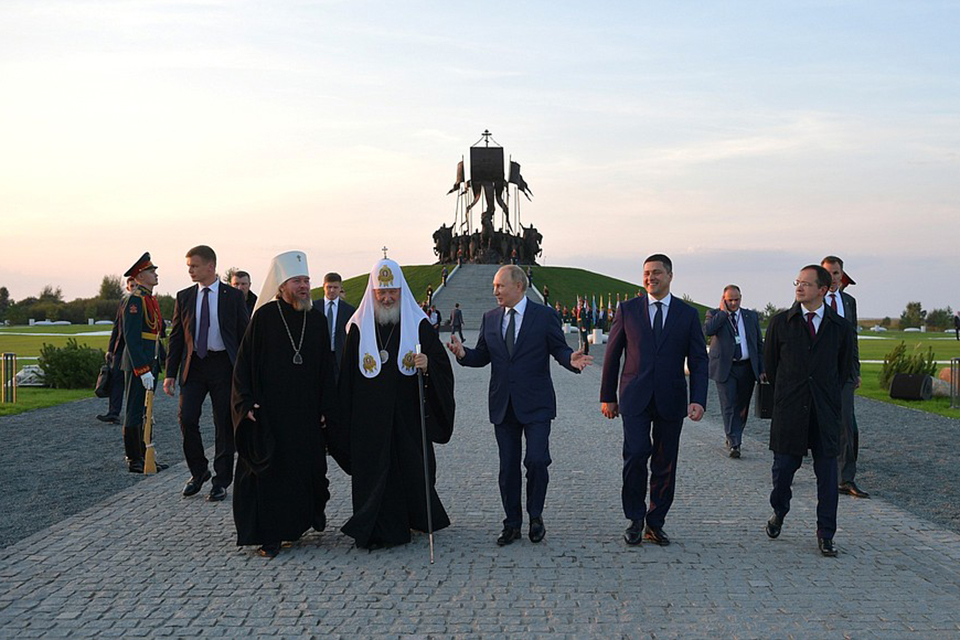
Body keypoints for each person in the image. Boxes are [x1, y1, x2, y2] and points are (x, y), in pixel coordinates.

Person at [448, 265, 592, 546]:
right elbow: (482, 355)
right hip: (503, 403)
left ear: (519, 286)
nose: (495, 291)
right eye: (494, 286)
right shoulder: (490, 319)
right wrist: (463, 354)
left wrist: (570, 360)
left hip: (536, 403)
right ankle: (512, 523)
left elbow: (559, 348)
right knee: (507, 467)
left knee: (537, 460)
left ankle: (535, 516)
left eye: (500, 286)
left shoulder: (544, 316)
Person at [339, 257, 456, 549]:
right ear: (373, 293)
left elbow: (442, 366)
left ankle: (414, 517)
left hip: (407, 414)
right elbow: (346, 377)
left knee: (412, 467)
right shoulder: (357, 327)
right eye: (382, 293)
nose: (388, 298)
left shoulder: (419, 325)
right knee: (374, 471)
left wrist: (428, 364)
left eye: (393, 292)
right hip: (370, 416)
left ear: (401, 291)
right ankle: (375, 525)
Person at [231, 251, 336, 558]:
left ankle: (296, 526)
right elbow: (243, 365)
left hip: (305, 415)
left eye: (306, 280)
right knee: (271, 476)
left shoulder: (316, 320)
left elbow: (326, 370)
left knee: (302, 473)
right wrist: (245, 401)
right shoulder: (264, 317)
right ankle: (269, 536)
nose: (304, 286)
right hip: (270, 414)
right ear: (281, 285)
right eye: (297, 281)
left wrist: (327, 409)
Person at [600, 254, 708, 546]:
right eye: (646, 273)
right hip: (634, 396)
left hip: (671, 399)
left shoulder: (687, 314)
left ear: (670, 276)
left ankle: (655, 521)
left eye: (657, 273)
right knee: (635, 454)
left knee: (665, 463)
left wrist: (698, 398)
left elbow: (698, 359)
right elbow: (612, 354)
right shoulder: (628, 310)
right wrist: (607, 396)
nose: (650, 278)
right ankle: (634, 518)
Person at [764, 265, 853, 557]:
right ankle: (780, 509)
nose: (799, 288)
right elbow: (772, 369)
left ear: (823, 290)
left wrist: (823, 395)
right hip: (790, 411)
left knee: (828, 478)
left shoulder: (840, 328)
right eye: (797, 282)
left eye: (806, 283)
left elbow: (842, 371)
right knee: (782, 474)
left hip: (825, 414)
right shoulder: (781, 323)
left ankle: (826, 534)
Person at [163, 246, 249, 501]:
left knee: (223, 424)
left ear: (211, 267)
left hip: (223, 366)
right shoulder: (184, 296)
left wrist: (247, 372)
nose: (190, 270)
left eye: (194, 265)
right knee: (187, 418)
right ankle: (199, 471)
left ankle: (221, 481)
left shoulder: (232, 297)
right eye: (188, 266)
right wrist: (169, 373)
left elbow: (244, 334)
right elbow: (176, 336)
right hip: (195, 366)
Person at [821, 256, 869, 499]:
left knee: (847, 425)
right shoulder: (812, 300)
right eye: (828, 273)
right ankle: (789, 466)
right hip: (818, 373)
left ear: (842, 275)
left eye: (836, 273)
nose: (832, 278)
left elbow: (853, 339)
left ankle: (845, 478)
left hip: (844, 373)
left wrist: (856, 370)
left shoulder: (849, 302)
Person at [120, 253, 169, 473]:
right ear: (140, 275)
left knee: (146, 410)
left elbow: (157, 333)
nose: (155, 274)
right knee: (134, 410)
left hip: (151, 361)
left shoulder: (149, 298)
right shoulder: (135, 300)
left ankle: (146, 455)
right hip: (138, 364)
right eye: (151, 271)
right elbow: (131, 337)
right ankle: (134, 458)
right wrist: (142, 369)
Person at [704, 285, 764, 458]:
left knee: (742, 407)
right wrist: (723, 313)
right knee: (729, 405)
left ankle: (734, 434)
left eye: (736, 299)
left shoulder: (750, 316)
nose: (733, 303)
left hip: (746, 368)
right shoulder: (714, 314)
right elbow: (708, 330)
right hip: (725, 368)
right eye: (730, 300)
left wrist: (762, 369)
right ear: (723, 299)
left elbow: (758, 345)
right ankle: (734, 443)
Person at [97, 276, 137, 424]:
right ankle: (113, 413)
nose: (134, 288)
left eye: (136, 285)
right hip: (121, 348)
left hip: (136, 348)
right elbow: (116, 327)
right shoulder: (123, 302)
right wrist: (110, 349)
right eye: (131, 286)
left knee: (136, 382)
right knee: (116, 380)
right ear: (127, 288)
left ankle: (142, 412)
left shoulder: (146, 302)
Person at [312, 272, 356, 383]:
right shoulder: (313, 307)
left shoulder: (349, 310)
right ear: (323, 286)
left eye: (335, 287)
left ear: (340, 288)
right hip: (318, 356)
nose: (332, 290)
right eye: (329, 287)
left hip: (339, 357)